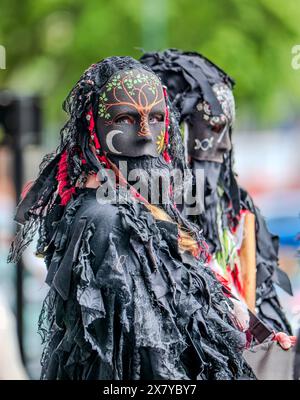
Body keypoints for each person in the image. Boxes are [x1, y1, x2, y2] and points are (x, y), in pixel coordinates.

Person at [8, 56, 255, 380]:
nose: (145, 134)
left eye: (156, 119)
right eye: (125, 118)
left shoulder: (147, 213)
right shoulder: (106, 222)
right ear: (94, 129)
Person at [140, 49, 294, 336]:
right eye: (213, 128)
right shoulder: (138, 215)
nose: (224, 146)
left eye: (228, 131)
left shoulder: (238, 212)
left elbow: (261, 303)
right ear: (177, 130)